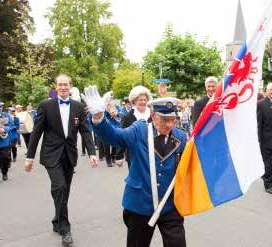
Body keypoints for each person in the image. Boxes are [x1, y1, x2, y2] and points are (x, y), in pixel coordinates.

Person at [83, 85, 187, 247]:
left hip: (169, 205)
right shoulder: (139, 130)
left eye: (173, 119)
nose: (169, 124)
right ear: (153, 115)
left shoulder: (181, 136)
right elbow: (115, 136)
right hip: (140, 205)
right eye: (164, 119)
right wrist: (98, 117)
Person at [24, 74, 98, 246]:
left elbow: (85, 131)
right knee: (60, 186)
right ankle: (65, 229)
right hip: (51, 154)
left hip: (69, 154)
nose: (63, 87)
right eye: (60, 85)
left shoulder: (78, 107)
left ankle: (57, 219)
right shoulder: (45, 106)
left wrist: (93, 152)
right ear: (56, 87)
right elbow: (36, 132)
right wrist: (29, 156)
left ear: (70, 86)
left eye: (66, 85)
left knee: (64, 190)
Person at [115, 85, 153, 167]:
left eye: (145, 100)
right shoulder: (127, 117)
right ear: (134, 101)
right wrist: (119, 155)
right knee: (136, 179)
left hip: (152, 154)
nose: (143, 102)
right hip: (133, 155)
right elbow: (123, 136)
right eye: (140, 100)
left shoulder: (153, 115)